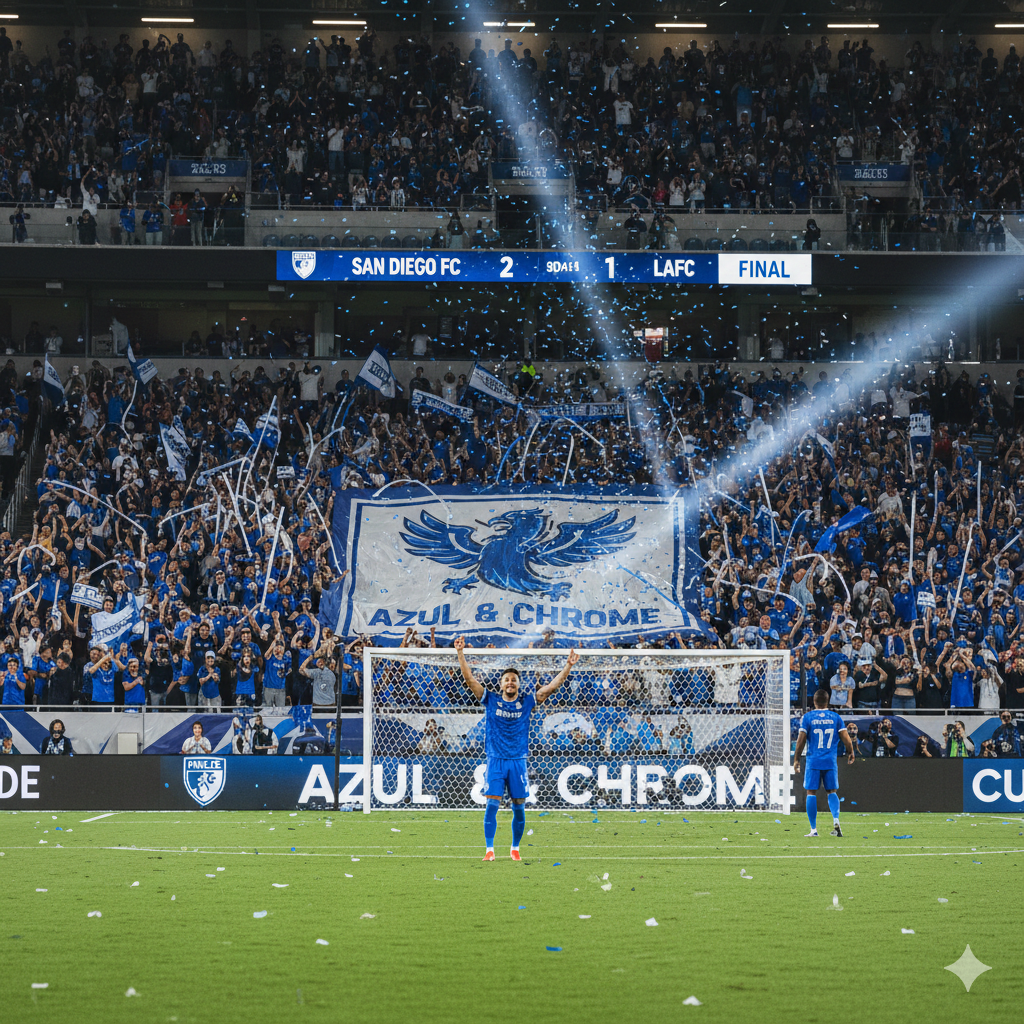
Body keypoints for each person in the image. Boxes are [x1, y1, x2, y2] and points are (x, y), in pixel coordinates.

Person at [454, 635, 578, 861]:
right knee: (491, 805)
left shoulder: (527, 701)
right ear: (501, 683)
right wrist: (460, 653)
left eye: (514, 680)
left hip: (518, 761)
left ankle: (515, 849)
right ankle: (489, 850)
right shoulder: (490, 699)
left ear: (518, 684)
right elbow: (470, 680)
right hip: (496, 760)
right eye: (507, 680)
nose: (510, 682)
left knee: (519, 808)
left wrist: (568, 666)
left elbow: (551, 687)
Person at [792, 688, 855, 838]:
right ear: (828, 701)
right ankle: (836, 821)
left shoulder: (808, 717)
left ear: (814, 702)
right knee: (832, 791)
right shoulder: (835, 717)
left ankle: (813, 830)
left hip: (813, 760)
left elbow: (800, 740)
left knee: (811, 792)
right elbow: (846, 738)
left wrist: (796, 759)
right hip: (830, 761)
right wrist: (851, 751)